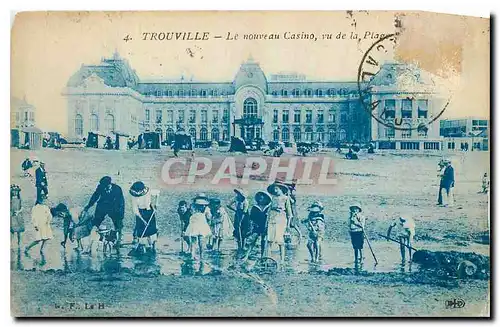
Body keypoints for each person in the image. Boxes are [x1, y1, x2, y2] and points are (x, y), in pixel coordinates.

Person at [83, 176, 125, 247]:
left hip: (114, 206)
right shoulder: (100, 187)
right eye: (103, 186)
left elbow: (121, 202)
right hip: (103, 205)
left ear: (109, 184)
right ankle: (97, 237)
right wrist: (89, 206)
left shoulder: (117, 189)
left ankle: (119, 240)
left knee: (118, 223)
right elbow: (95, 196)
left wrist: (120, 213)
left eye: (106, 186)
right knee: (96, 221)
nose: (104, 188)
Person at [129, 181, 159, 253]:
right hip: (140, 214)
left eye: (141, 190)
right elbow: (135, 210)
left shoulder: (147, 191)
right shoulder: (134, 195)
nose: (140, 192)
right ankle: (143, 246)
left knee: (152, 230)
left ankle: (153, 246)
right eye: (138, 191)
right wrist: (143, 221)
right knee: (142, 232)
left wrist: (156, 204)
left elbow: (157, 193)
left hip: (149, 211)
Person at [266, 181, 292, 263]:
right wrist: (267, 222)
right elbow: (269, 211)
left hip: (281, 220)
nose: (275, 190)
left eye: (276, 188)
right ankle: (268, 258)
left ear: (280, 189)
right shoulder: (272, 198)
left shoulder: (285, 198)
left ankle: (282, 259)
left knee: (280, 241)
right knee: (269, 239)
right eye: (274, 189)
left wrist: (288, 226)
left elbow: (289, 214)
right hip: (272, 220)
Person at [244, 191, 272, 261]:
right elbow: (252, 217)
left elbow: (270, 216)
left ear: (266, 199)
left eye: (263, 198)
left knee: (263, 241)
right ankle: (247, 254)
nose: (261, 199)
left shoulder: (268, 207)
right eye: (259, 198)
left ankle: (263, 256)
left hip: (265, 226)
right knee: (253, 240)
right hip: (257, 225)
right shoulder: (255, 207)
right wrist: (252, 225)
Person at [184, 194, 212, 260]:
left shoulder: (192, 206)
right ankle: (201, 256)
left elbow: (189, 215)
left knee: (193, 241)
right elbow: (209, 217)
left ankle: (192, 255)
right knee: (201, 242)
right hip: (202, 225)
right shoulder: (206, 207)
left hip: (194, 225)